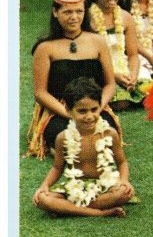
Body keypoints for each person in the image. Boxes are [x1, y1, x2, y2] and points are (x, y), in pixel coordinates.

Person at [27, 0, 121, 159]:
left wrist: (95, 109)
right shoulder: (45, 48)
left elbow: (110, 84)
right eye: (68, 12)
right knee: (69, 144)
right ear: (55, 12)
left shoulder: (98, 42)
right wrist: (70, 113)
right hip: (60, 109)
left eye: (79, 11)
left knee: (105, 139)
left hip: (93, 108)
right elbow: (40, 93)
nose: (74, 17)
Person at [32, 77, 135, 217]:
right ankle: (100, 213)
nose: (89, 116)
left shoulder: (109, 134)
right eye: (82, 111)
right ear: (68, 111)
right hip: (75, 187)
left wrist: (124, 180)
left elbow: (122, 162)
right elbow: (57, 168)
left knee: (123, 193)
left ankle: (67, 209)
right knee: (43, 199)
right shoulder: (63, 137)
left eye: (94, 109)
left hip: (105, 187)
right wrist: (44, 186)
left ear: (101, 107)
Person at [85, 0, 142, 110]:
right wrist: (114, 76)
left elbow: (133, 55)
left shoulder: (125, 17)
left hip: (123, 70)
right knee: (120, 103)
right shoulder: (86, 18)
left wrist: (133, 75)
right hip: (97, 71)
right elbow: (88, 59)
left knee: (149, 93)